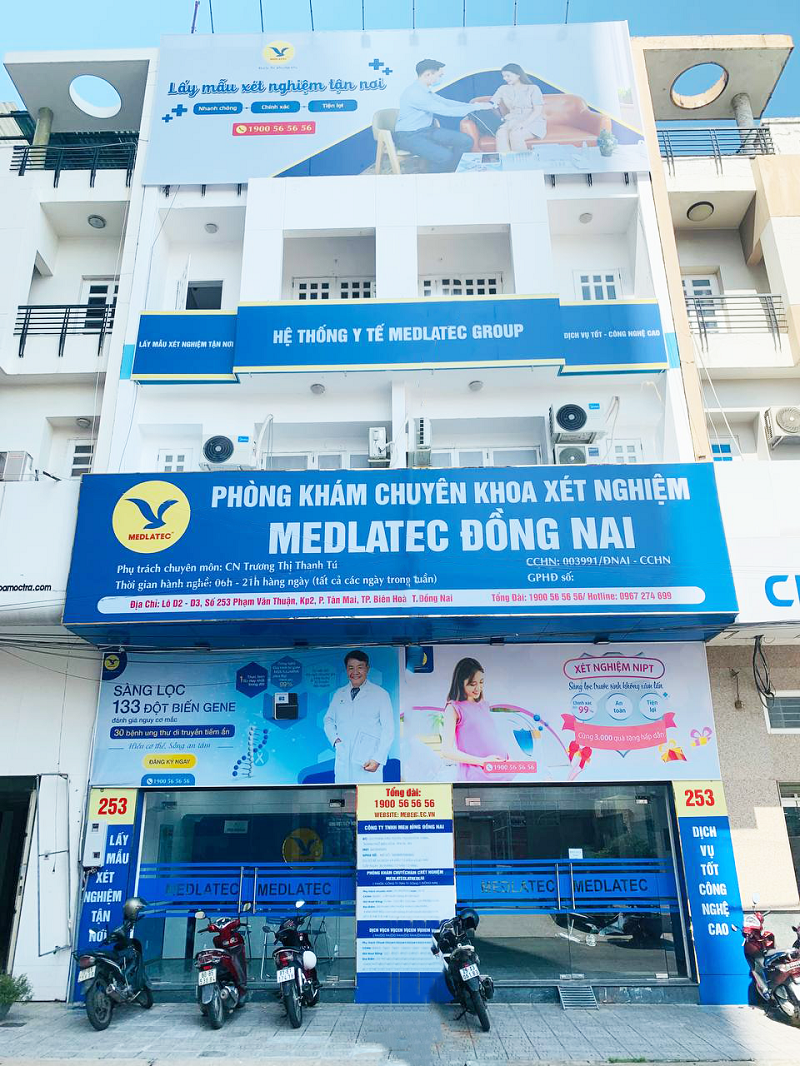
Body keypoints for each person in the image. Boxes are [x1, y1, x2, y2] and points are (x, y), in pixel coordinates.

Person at [394, 58, 494, 173]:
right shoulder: (415, 93)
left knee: (465, 141)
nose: (440, 79)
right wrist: (477, 107)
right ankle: (434, 179)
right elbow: (446, 110)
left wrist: (473, 105)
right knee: (444, 156)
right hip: (409, 136)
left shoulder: (424, 90)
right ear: (428, 74)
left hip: (427, 130)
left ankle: (450, 171)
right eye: (439, 76)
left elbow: (446, 102)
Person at [323, 650, 395, 782]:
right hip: (344, 757)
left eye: (360, 667)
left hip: (368, 759)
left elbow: (388, 730)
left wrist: (378, 758)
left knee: (367, 793)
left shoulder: (380, 694)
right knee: (344, 793)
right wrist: (335, 740)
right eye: (351, 668)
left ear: (367, 668)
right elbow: (328, 720)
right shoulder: (339, 693)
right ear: (346, 670)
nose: (355, 672)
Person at [439, 657, 510, 782]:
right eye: (473, 684)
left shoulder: (483, 704)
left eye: (481, 682)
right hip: (478, 772)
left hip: (501, 766)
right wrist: (482, 762)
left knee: (541, 774)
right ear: (460, 682)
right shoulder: (453, 708)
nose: (478, 688)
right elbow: (446, 751)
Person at [490, 63, 546, 153]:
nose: (505, 78)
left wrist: (523, 124)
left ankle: (522, 161)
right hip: (512, 119)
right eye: (504, 76)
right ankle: (505, 160)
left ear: (518, 75)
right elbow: (492, 103)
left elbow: (537, 111)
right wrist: (479, 106)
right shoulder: (503, 89)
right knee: (500, 134)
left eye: (508, 76)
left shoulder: (533, 88)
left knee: (515, 134)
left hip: (532, 120)